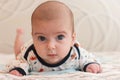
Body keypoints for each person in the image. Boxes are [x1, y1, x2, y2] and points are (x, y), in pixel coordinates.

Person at [7, 1, 102, 76]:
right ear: (33, 38)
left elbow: (89, 58)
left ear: (72, 39)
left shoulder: (76, 53)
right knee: (18, 53)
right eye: (42, 38)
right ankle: (19, 36)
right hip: (24, 50)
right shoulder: (29, 54)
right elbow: (19, 62)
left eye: (60, 37)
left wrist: (90, 65)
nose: (50, 46)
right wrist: (18, 69)